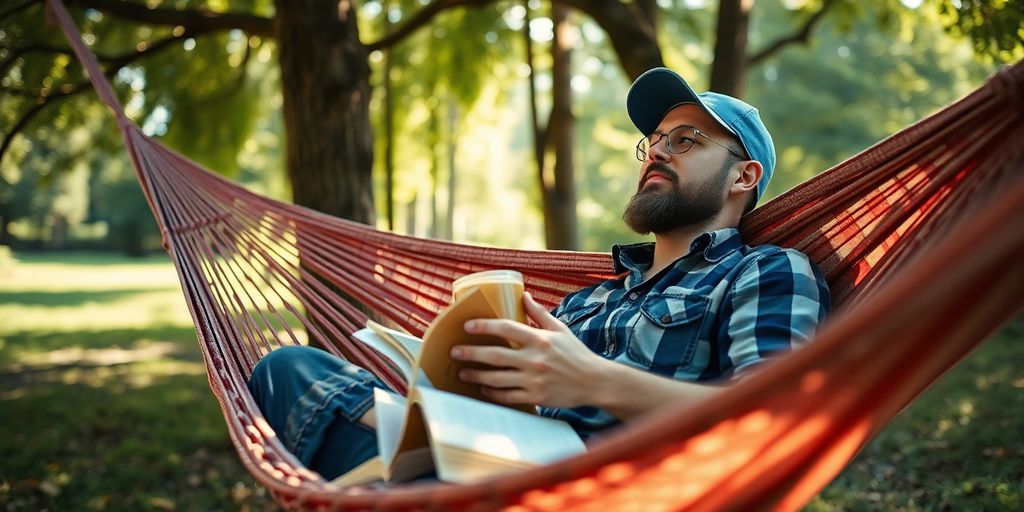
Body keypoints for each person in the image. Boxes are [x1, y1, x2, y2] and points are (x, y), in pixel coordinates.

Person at [247, 67, 831, 480]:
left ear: (743, 177)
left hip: (602, 489)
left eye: (685, 141)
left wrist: (593, 381)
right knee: (289, 368)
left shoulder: (767, 271)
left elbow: (777, 419)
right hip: (490, 459)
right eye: (652, 142)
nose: (656, 152)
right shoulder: (587, 299)